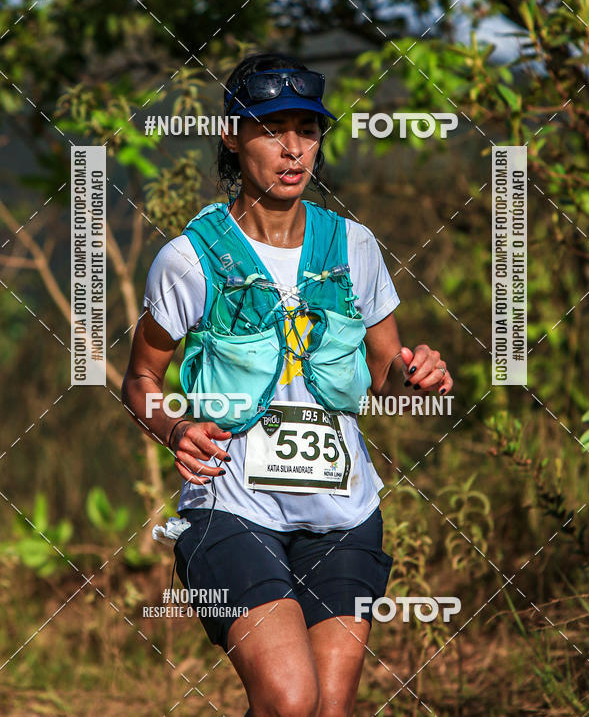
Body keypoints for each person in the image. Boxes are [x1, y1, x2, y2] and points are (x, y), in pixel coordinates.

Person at [121, 51, 453, 717]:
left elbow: (383, 377)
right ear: (232, 134)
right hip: (232, 509)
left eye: (308, 127)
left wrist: (419, 377)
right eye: (272, 128)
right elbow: (142, 377)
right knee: (290, 697)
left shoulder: (354, 246)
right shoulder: (190, 259)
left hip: (345, 514)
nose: (294, 147)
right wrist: (174, 428)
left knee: (328, 708)